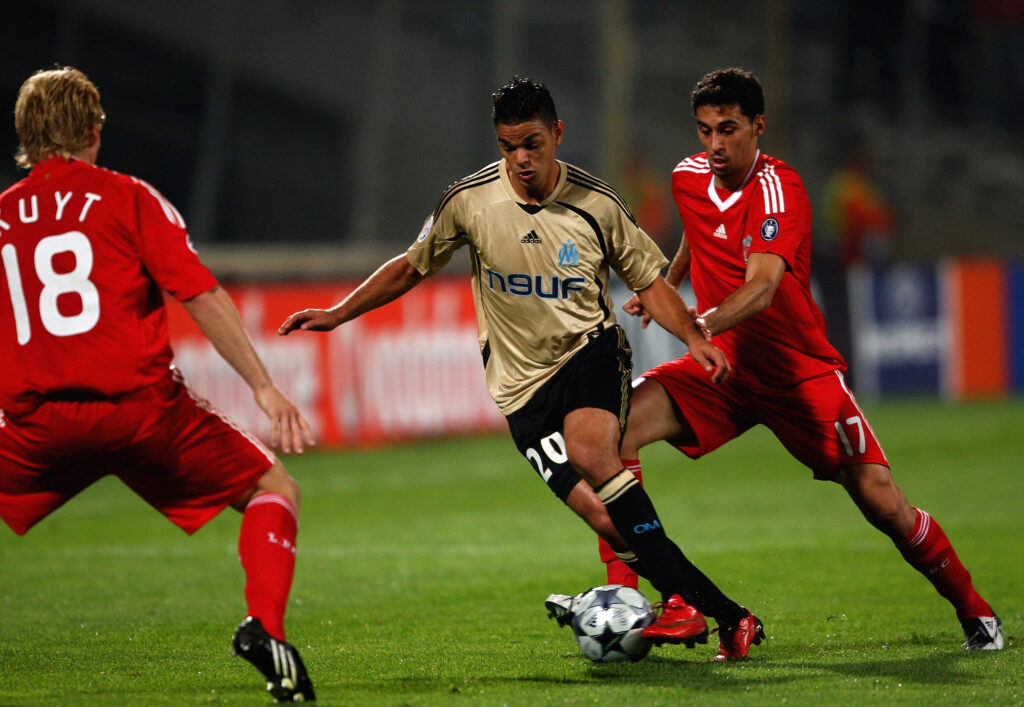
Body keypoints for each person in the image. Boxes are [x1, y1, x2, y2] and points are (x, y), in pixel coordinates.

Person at [278, 76, 762, 654]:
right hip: (519, 391)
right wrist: (338, 313)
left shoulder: (598, 205)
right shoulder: (468, 201)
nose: (521, 159)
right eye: (509, 147)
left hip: (589, 353)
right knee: (609, 521)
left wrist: (691, 334)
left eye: (532, 143)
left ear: (557, 133)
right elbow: (411, 266)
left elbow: (650, 282)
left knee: (592, 453)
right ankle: (726, 615)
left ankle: (680, 607)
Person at [612, 67, 1002, 652]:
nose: (715, 145)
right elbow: (697, 231)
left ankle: (977, 613)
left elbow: (763, 287)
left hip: (797, 374)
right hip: (724, 371)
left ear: (757, 126)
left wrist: (694, 324)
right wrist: (663, 285)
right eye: (704, 131)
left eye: (728, 129)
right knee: (612, 431)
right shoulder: (687, 177)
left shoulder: (781, 190)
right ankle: (632, 601)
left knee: (883, 504)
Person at [0, 67, 318, 701]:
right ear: (93, 131)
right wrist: (262, 386)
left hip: (35, 425)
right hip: (141, 413)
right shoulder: (129, 197)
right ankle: (265, 627)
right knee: (271, 486)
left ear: (26, 136)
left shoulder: (3, 216)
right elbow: (197, 291)